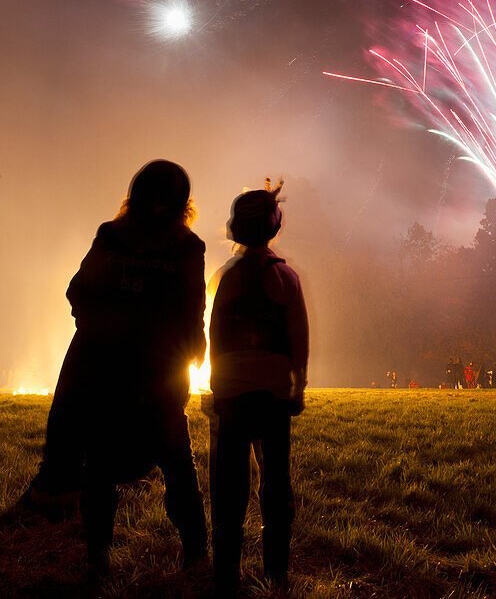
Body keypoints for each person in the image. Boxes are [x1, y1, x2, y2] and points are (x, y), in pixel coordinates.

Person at [55, 161, 207, 581]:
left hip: (107, 372)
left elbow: (78, 291)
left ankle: (97, 558)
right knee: (177, 463)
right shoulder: (187, 247)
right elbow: (193, 311)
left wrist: (100, 331)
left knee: (100, 467)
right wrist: (193, 352)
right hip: (161, 375)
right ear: (183, 202)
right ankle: (195, 554)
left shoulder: (111, 236)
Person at [209, 180, 309, 596]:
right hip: (272, 395)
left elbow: (214, 336)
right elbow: (298, 339)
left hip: (231, 393)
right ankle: (276, 572)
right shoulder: (285, 277)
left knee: (228, 487)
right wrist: (298, 386)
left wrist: (215, 386)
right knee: (276, 482)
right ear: (275, 228)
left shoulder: (223, 277)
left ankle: (226, 572)